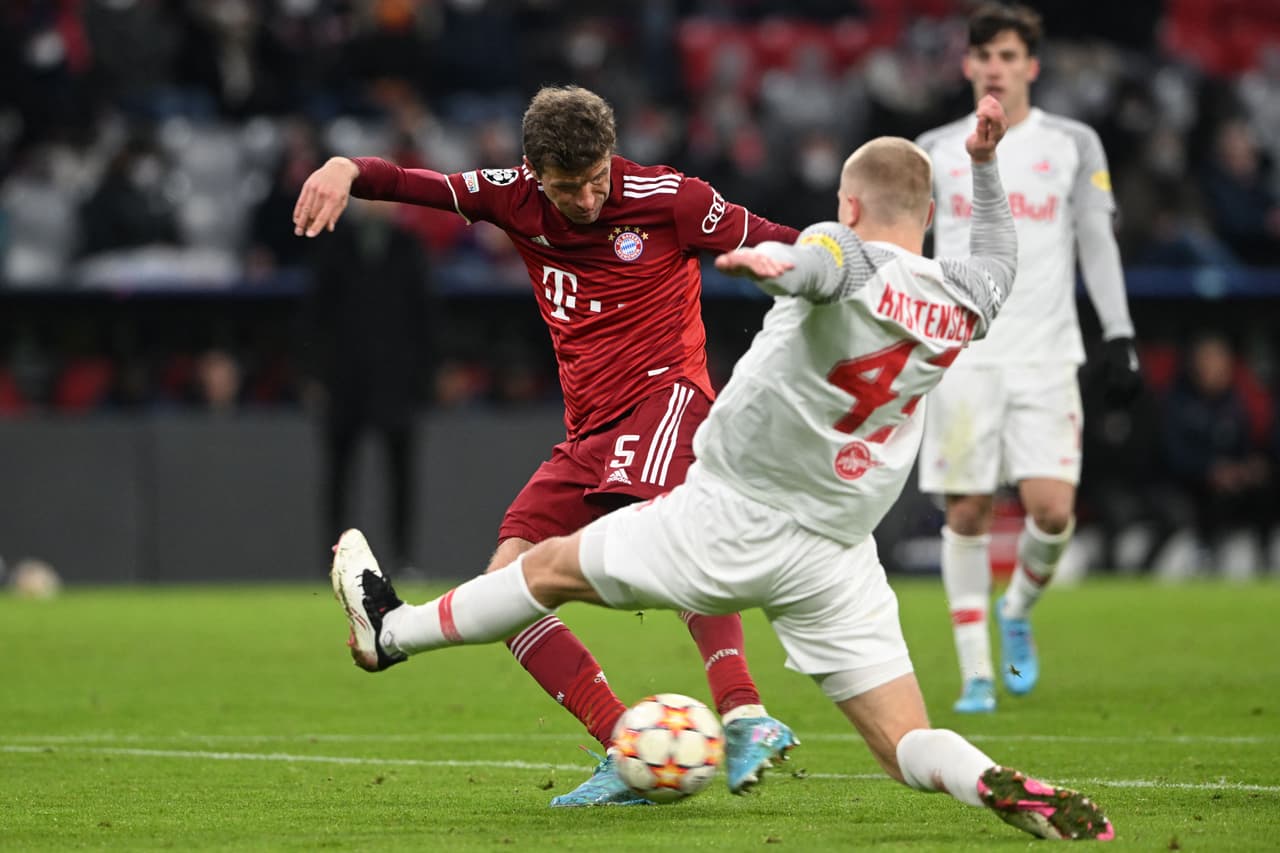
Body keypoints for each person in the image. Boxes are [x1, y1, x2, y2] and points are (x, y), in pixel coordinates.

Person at [330, 97, 1116, 841]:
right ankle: (979, 777)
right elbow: (998, 258)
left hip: (737, 510)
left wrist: (773, 265)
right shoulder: (966, 298)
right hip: (836, 553)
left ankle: (394, 633)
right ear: (932, 212)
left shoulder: (833, 254)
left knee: (544, 571)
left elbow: (820, 264)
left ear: (845, 206)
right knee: (903, 741)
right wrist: (985, 165)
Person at [293, 85, 802, 805]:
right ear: (534, 173)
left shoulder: (673, 199)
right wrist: (346, 167)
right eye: (568, 187)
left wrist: (873, 265)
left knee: (672, 548)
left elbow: (786, 241)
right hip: (587, 431)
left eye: (597, 179)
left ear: (611, 155)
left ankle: (745, 713)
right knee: (505, 585)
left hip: (667, 400)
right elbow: (415, 185)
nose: (587, 199)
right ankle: (625, 747)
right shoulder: (510, 196)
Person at [914, 3, 1142, 714]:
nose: (995, 68)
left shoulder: (1072, 143)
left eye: (1009, 56)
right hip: (965, 356)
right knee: (968, 511)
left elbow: (1096, 239)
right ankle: (976, 673)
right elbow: (907, 247)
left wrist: (1119, 332)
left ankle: (1015, 608)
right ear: (967, 64)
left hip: (1046, 355)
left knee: (1052, 511)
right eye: (984, 55)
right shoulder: (934, 148)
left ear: (1031, 66)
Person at [301, 197, 433, 571]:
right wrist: (314, 373)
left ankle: (404, 559)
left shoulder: (409, 246)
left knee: (401, 476)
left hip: (395, 381)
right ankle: (333, 560)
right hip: (344, 380)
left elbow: (425, 316)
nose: (377, 206)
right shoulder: (334, 246)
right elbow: (315, 316)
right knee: (339, 476)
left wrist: (424, 376)